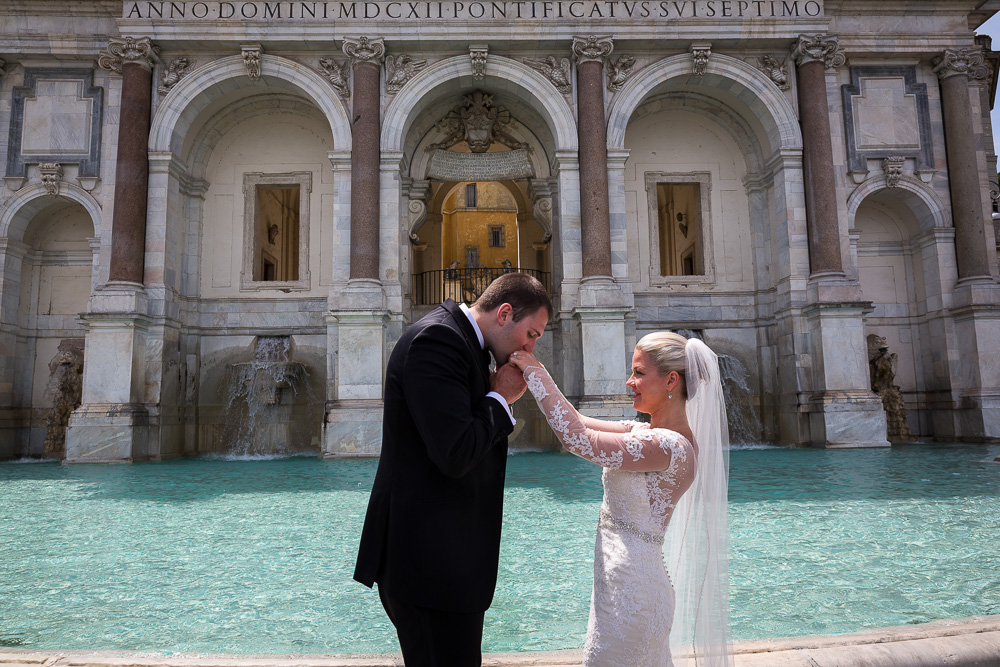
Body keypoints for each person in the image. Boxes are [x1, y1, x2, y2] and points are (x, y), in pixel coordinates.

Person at [354, 272, 553, 667]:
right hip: (428, 568)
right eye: (531, 334)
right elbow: (456, 452)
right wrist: (500, 397)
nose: (531, 347)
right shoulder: (438, 340)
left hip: (445, 565)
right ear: (505, 313)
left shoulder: (463, 343)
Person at [509, 331, 731, 667]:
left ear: (671, 380)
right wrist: (536, 371)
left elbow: (575, 438)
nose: (629, 382)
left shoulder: (669, 446)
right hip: (620, 586)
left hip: (633, 594)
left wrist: (534, 370)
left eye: (639, 373)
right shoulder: (645, 433)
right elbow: (578, 421)